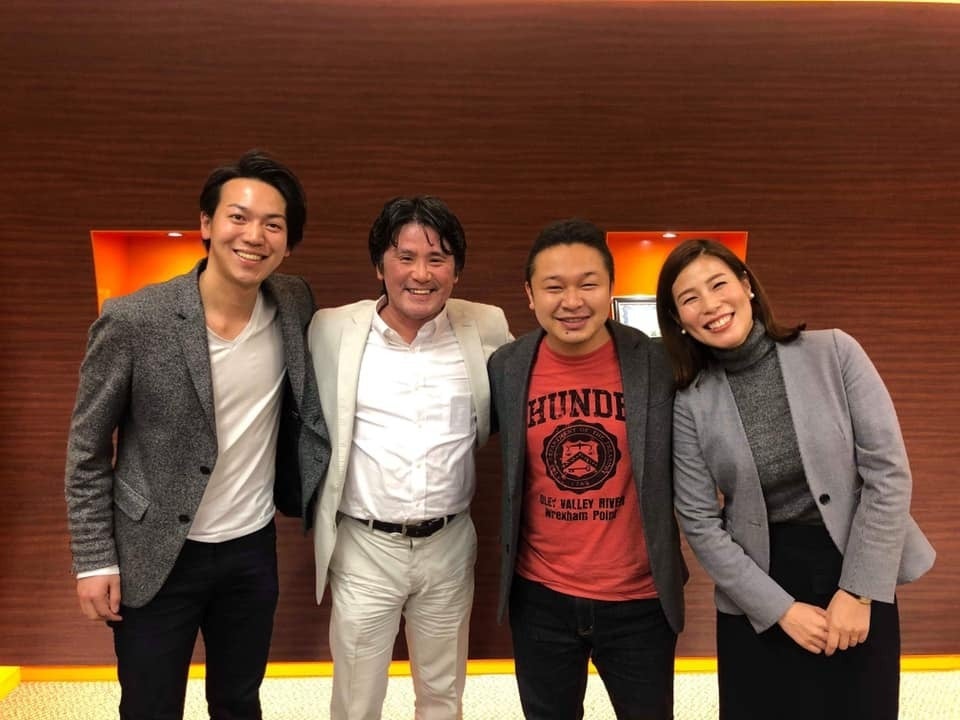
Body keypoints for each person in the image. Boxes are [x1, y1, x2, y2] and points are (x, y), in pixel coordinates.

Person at [64, 149, 330, 720]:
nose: (253, 236)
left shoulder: (294, 303)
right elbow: (86, 451)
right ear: (206, 224)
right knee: (150, 706)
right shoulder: (135, 320)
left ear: (288, 242)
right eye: (238, 217)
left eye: (273, 224)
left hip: (251, 548)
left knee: (238, 701)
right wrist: (93, 560)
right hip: (155, 551)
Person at [654, 238, 936, 720]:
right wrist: (780, 610)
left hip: (854, 562)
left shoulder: (834, 351)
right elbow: (699, 521)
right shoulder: (690, 401)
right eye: (690, 298)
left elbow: (887, 473)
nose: (711, 305)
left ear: (746, 285)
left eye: (718, 284)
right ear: (679, 319)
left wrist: (859, 591)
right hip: (757, 583)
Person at [307, 195, 512, 720]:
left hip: (449, 544)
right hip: (364, 547)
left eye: (437, 259)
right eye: (405, 257)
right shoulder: (330, 329)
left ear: (456, 271)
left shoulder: (486, 326)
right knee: (356, 700)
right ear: (380, 265)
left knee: (443, 694)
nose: (421, 274)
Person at [487, 219, 687, 720]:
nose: (572, 301)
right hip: (541, 595)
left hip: (639, 598)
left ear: (611, 287)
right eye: (554, 287)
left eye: (588, 284)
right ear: (530, 294)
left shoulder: (658, 362)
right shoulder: (506, 366)